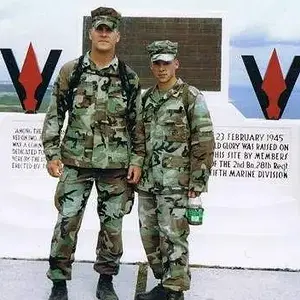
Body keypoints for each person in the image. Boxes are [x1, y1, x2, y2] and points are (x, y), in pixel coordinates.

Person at [42, 7, 145, 300]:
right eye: (98, 28)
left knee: (112, 226)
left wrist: (137, 159)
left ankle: (106, 280)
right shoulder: (71, 71)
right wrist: (51, 152)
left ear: (117, 36)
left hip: (116, 166)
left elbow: (137, 124)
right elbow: (55, 114)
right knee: (67, 221)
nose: (103, 34)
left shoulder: (128, 77)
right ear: (91, 33)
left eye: (108, 29)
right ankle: (59, 282)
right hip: (74, 162)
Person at [135, 40, 215, 300]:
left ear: (176, 64)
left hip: (176, 184)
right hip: (148, 183)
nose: (161, 68)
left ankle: (174, 290)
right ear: (151, 66)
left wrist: (197, 184)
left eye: (166, 63)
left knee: (174, 237)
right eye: (157, 63)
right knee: (150, 236)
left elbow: (204, 140)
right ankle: (164, 282)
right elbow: (139, 138)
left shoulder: (190, 96)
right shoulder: (146, 99)